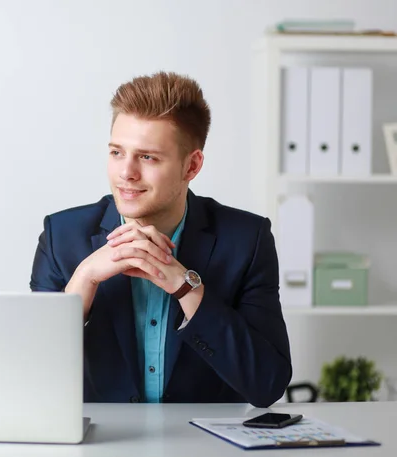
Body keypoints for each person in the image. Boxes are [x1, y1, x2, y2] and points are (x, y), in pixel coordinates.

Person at [30, 71, 291, 407]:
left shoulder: (246, 240)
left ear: (192, 165)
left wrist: (186, 288)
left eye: (147, 157)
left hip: (200, 443)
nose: (126, 173)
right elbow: (31, 379)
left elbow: (267, 384)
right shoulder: (62, 236)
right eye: (116, 153)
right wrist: (84, 280)